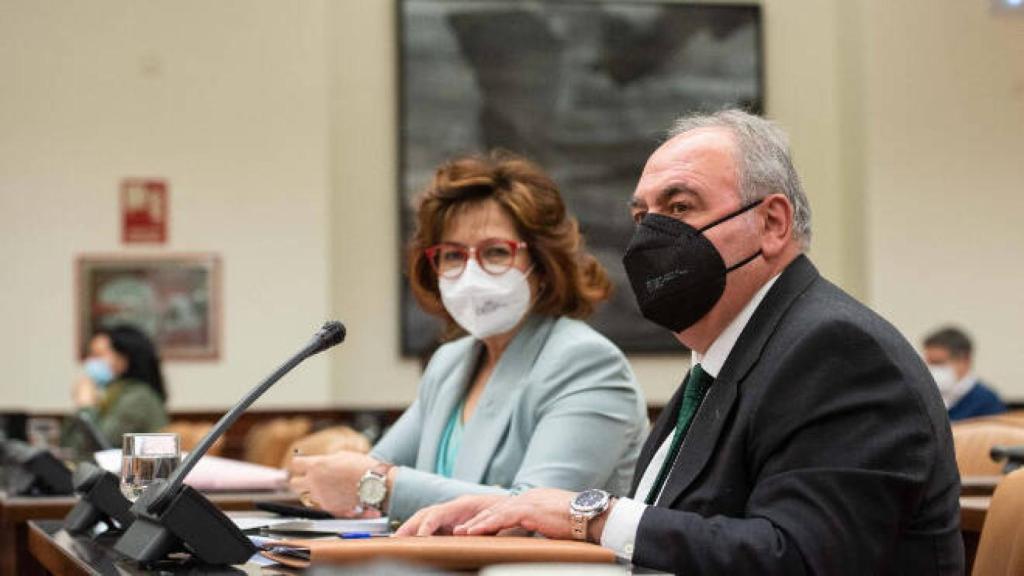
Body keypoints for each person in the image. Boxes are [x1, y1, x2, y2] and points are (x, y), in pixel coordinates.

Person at [398, 110, 964, 575]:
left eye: (680, 207)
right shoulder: (725, 360)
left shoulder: (835, 350)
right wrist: (515, 509)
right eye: (642, 215)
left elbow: (798, 557)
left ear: (772, 224)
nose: (651, 237)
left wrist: (586, 514)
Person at [287, 152, 647, 523]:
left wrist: (376, 485)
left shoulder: (585, 362)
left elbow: (533, 515)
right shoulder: (451, 361)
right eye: (453, 255)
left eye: (495, 252)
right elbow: (371, 470)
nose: (471, 272)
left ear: (543, 265)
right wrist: (329, 470)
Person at [65, 325, 169, 453]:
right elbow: (68, 446)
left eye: (98, 355)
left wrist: (86, 407)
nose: (90, 361)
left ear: (124, 358)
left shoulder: (139, 397)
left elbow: (99, 449)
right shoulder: (111, 393)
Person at [923, 326, 1006, 421]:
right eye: (927, 363)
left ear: (965, 361)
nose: (931, 369)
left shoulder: (987, 401)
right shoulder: (924, 398)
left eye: (938, 363)